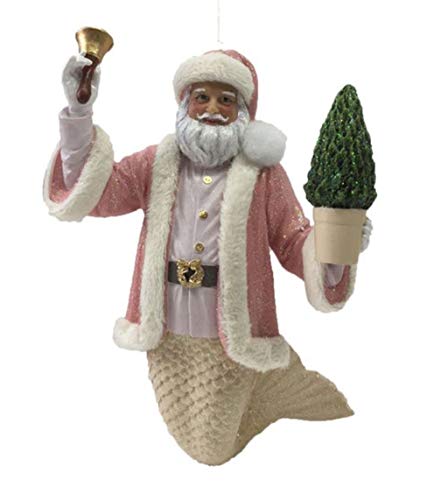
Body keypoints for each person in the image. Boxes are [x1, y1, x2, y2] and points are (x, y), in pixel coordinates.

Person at [43, 49, 373, 466]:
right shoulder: (157, 163)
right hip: (167, 336)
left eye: (226, 99)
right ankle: (267, 387)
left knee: (211, 451)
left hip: (229, 343)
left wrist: (336, 247)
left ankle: (269, 390)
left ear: (243, 112)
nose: (213, 109)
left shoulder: (263, 176)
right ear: (185, 104)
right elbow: (97, 193)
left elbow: (293, 240)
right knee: (187, 434)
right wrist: (79, 112)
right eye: (202, 97)